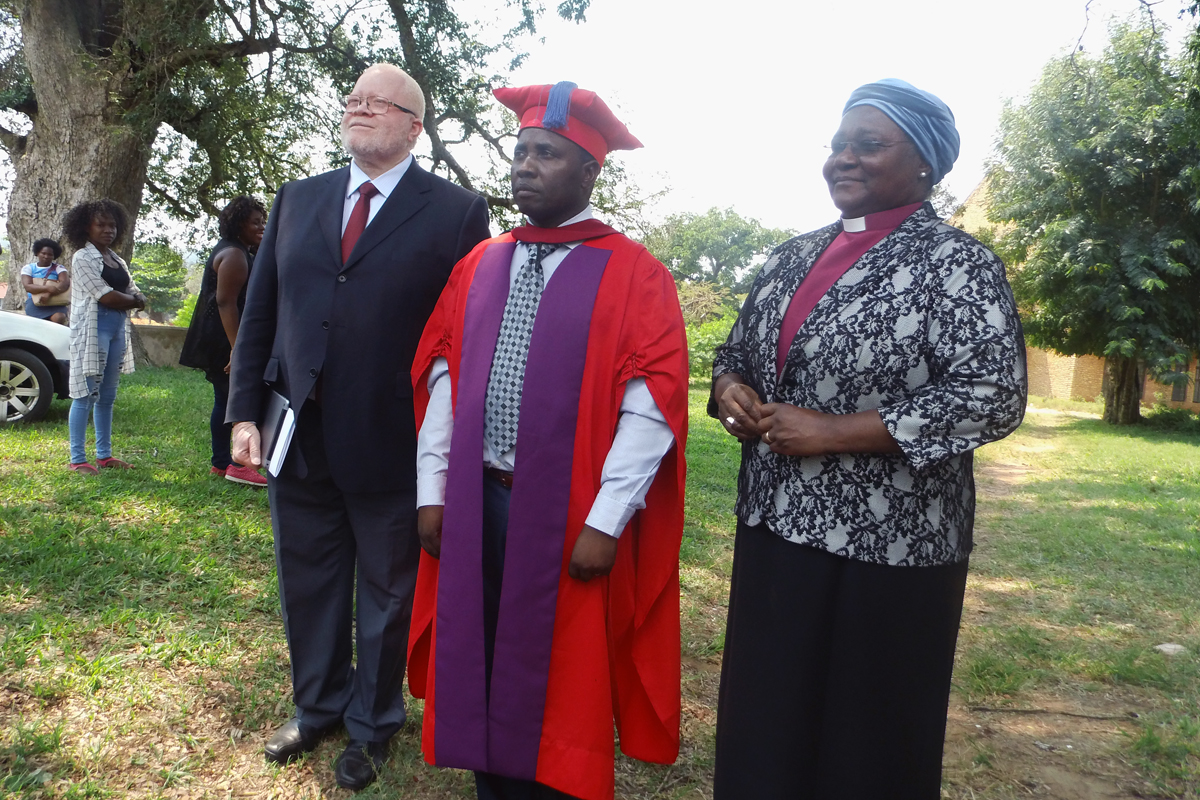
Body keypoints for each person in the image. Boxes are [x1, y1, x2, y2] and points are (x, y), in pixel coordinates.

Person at [709, 79, 1028, 800]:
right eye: (838, 144)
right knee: (765, 724)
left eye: (868, 144)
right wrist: (731, 392)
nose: (843, 158)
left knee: (868, 743)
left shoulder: (958, 264)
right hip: (776, 528)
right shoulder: (791, 257)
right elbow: (735, 355)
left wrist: (833, 432)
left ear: (924, 163)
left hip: (891, 546)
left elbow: (993, 395)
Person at [407, 82, 689, 800]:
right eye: (521, 151)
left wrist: (606, 520)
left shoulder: (635, 274)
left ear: (590, 171)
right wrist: (433, 492)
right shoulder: (480, 263)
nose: (525, 166)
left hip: (570, 508)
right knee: (477, 652)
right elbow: (442, 381)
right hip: (477, 498)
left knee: (557, 667)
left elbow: (650, 409)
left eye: (547, 154)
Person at [225, 63, 490, 791]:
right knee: (306, 580)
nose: (360, 107)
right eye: (353, 99)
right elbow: (260, 314)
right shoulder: (298, 198)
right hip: (297, 433)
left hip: (394, 439)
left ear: (414, 127)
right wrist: (243, 412)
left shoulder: (457, 212)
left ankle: (373, 724)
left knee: (386, 591)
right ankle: (317, 708)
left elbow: (465, 335)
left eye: (380, 102)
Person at [179, 196, 268, 486]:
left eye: (263, 221)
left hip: (224, 336)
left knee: (226, 397)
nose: (262, 226)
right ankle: (231, 464)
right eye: (255, 222)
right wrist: (237, 349)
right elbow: (226, 303)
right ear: (239, 224)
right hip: (224, 338)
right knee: (231, 399)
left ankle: (222, 463)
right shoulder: (233, 255)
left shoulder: (241, 251)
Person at [64, 200, 146, 475]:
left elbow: (132, 290)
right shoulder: (82, 258)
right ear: (86, 228)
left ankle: (104, 455)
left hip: (117, 330)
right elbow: (107, 296)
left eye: (112, 225)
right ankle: (77, 459)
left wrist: (133, 298)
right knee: (85, 394)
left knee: (107, 396)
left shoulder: (116, 259)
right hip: (93, 330)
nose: (108, 230)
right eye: (101, 225)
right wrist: (135, 300)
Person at [20, 239, 71, 324]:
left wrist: (49, 293)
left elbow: (65, 283)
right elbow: (28, 286)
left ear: (54, 256)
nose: (46, 256)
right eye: (43, 253)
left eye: (50, 254)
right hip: (35, 303)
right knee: (35, 324)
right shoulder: (28, 268)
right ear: (37, 253)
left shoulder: (59, 268)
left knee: (59, 317)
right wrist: (48, 288)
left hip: (56, 302)